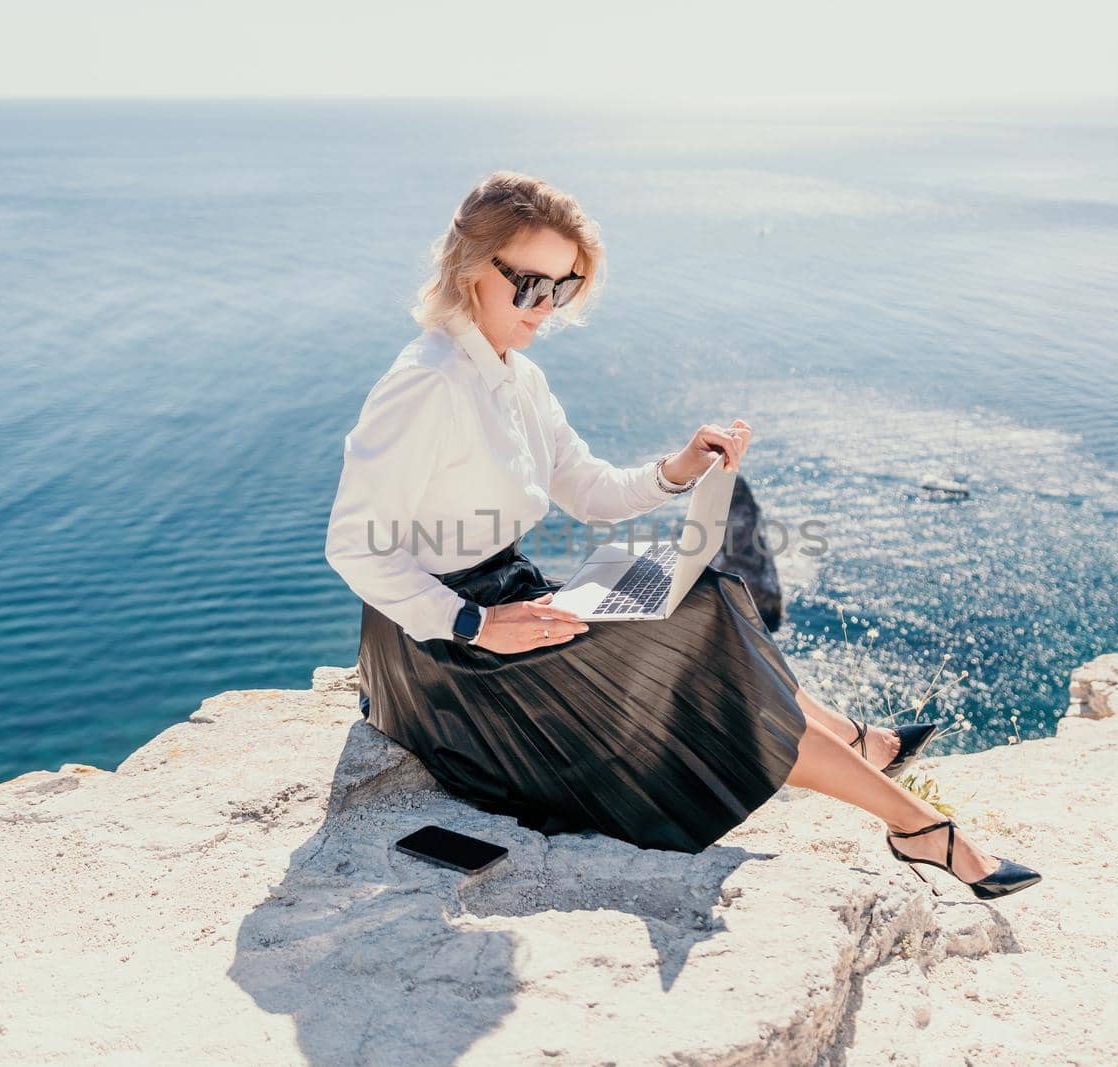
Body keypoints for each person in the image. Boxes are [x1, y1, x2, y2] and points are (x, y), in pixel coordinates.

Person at [324, 170, 1039, 899]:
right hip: (441, 660)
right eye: (533, 286)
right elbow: (353, 543)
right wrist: (474, 623)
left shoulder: (514, 376)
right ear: (473, 267)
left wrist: (680, 468)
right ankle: (913, 820)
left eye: (563, 290)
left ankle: (868, 759)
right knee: (696, 637)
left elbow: (588, 487)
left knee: (703, 589)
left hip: (508, 601)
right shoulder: (428, 382)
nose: (547, 308)